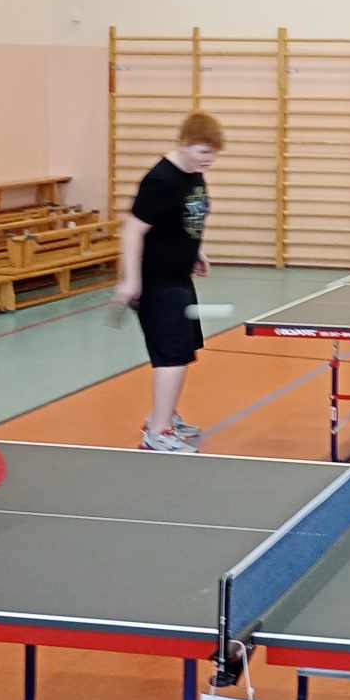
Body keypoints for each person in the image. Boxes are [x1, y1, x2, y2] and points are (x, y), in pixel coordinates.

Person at [117, 111, 221, 452]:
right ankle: (157, 433)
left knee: (182, 351)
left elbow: (184, 219)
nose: (209, 160)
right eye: (203, 152)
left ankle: (163, 416)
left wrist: (195, 250)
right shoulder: (161, 180)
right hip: (156, 281)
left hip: (178, 277)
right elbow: (133, 230)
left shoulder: (194, 173)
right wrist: (131, 281)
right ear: (186, 144)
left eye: (213, 153)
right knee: (171, 356)